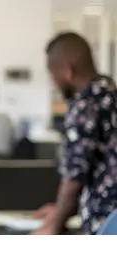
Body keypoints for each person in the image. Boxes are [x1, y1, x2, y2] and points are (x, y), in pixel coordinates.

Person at [31, 32, 117, 235]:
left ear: (68, 71)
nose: (53, 81)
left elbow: (73, 179)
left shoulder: (85, 106)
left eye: (53, 75)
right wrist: (58, 210)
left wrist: (53, 226)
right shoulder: (110, 93)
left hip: (104, 225)